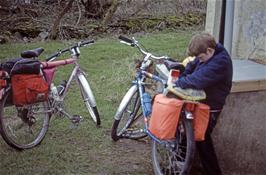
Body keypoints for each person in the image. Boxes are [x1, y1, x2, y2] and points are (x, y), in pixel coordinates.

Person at [174, 32, 233, 175]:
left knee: (203, 142)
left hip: (210, 108)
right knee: (191, 136)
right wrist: (183, 76)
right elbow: (192, 66)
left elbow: (198, 79)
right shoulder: (207, 53)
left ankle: (212, 172)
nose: (199, 60)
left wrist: (179, 83)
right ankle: (180, 165)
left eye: (201, 57)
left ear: (209, 50)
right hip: (201, 103)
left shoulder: (221, 62)